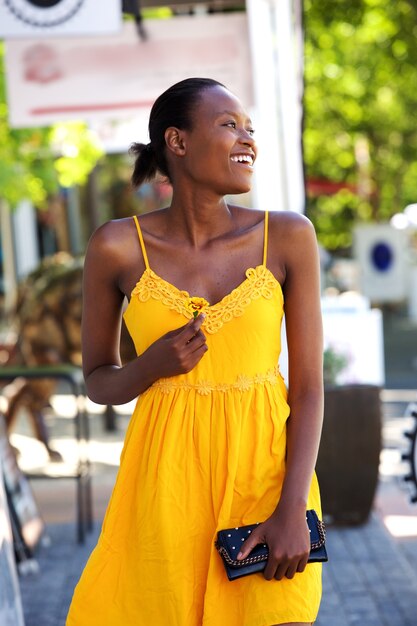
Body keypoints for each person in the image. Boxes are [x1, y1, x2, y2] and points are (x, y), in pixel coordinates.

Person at [66, 77, 324, 626]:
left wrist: (292, 510)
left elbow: (307, 388)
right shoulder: (116, 246)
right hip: (165, 489)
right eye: (229, 124)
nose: (247, 139)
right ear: (176, 142)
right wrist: (149, 366)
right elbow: (97, 379)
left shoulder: (288, 236)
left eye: (250, 128)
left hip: (266, 482)